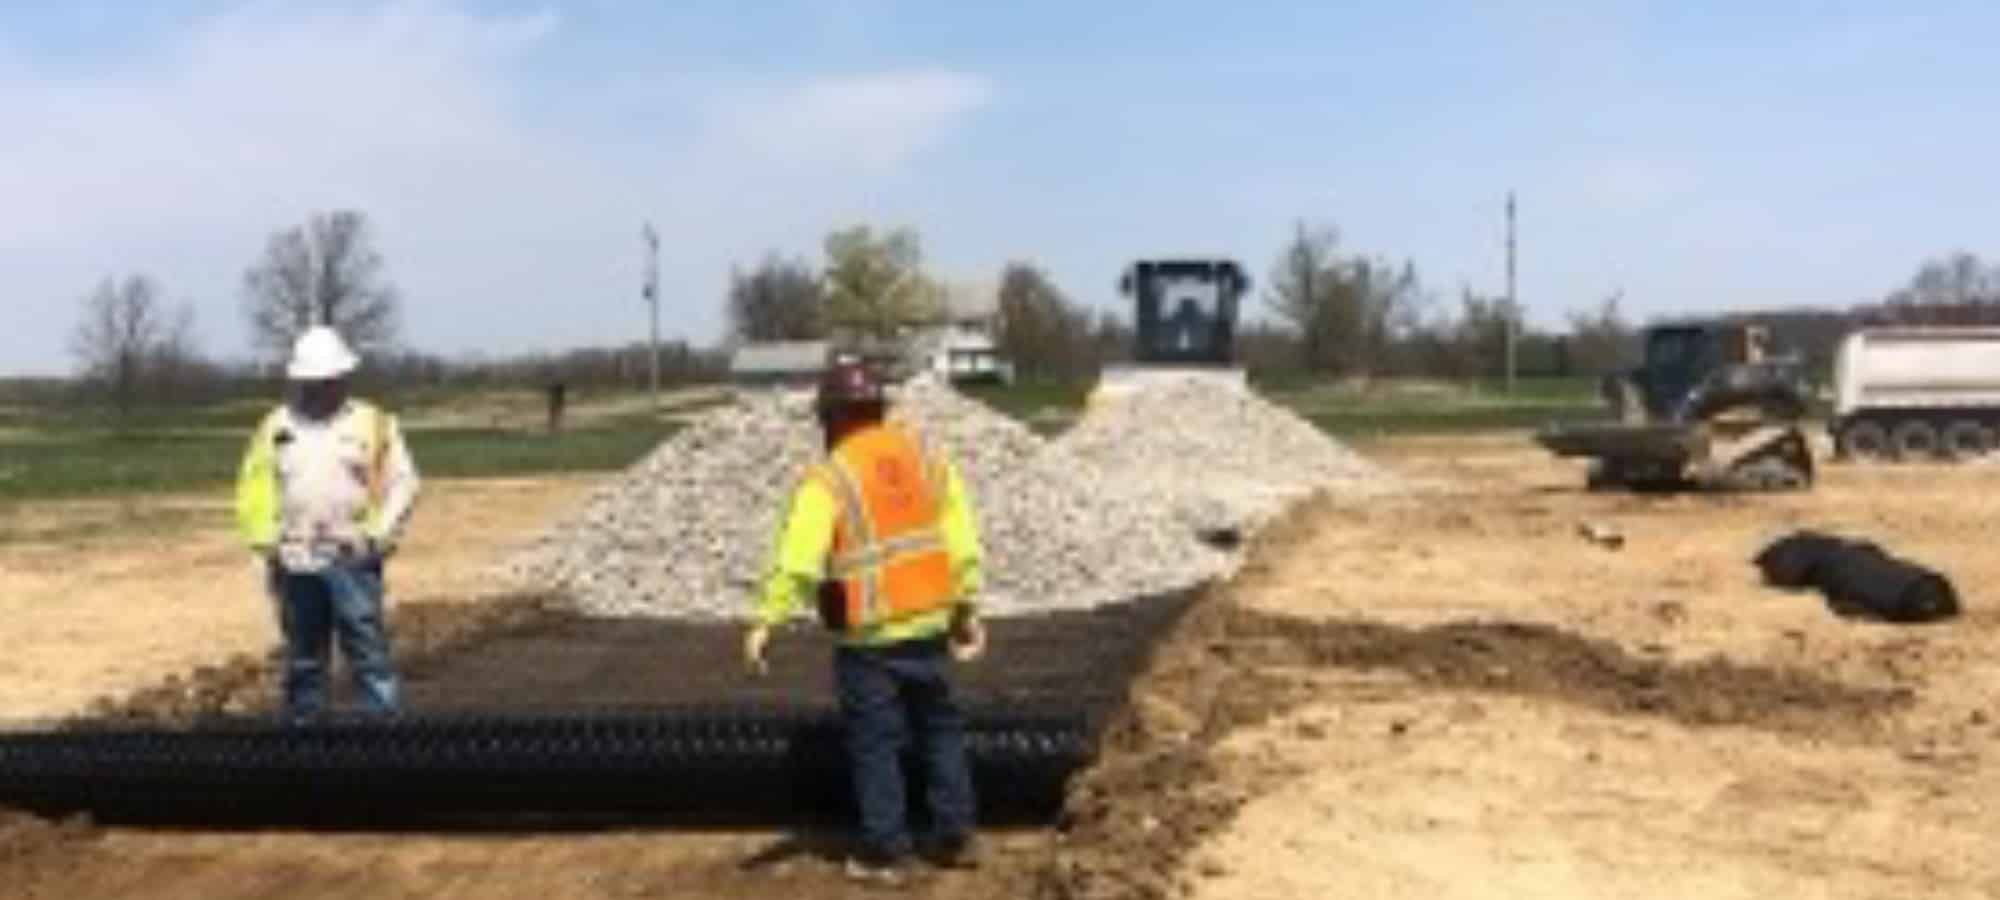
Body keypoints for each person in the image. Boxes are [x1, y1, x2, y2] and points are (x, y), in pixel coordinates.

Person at [743, 356, 987, 885]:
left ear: (830, 418)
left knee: (875, 743)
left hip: (870, 641)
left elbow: (798, 560)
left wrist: (767, 620)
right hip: (930, 627)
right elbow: (959, 537)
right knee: (940, 731)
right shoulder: (926, 457)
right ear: (878, 407)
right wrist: (966, 607)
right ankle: (955, 836)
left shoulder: (828, 479)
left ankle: (887, 851)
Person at [234, 325, 421, 723]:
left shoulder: (374, 424)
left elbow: (404, 483)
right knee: (304, 655)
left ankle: (380, 728)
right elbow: (255, 486)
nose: (318, 390)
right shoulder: (277, 426)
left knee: (366, 648)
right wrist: (267, 545)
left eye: (326, 382)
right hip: (295, 558)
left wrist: (379, 535)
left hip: (352, 556)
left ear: (342, 379)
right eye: (311, 382)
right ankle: (306, 733)